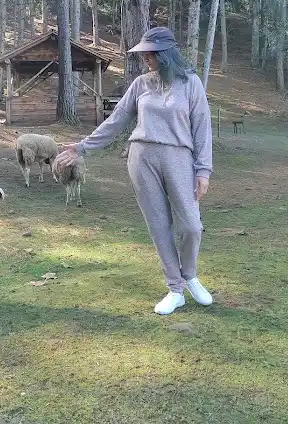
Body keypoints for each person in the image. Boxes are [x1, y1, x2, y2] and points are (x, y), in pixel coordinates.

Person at [55, 26, 213, 315]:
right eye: (144, 55)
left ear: (165, 55)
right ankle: (175, 289)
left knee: (191, 226)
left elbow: (202, 128)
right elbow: (116, 121)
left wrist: (203, 171)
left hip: (179, 158)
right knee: (159, 226)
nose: (145, 59)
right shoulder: (141, 84)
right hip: (141, 158)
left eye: (150, 55)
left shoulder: (191, 83)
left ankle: (189, 275)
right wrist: (82, 147)